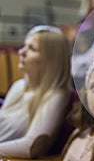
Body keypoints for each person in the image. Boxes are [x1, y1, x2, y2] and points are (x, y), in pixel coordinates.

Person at [0, 25, 71, 158]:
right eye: (24, 45)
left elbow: (31, 147)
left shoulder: (56, 95)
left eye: (32, 48)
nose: (21, 52)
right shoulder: (18, 86)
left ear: (50, 59)